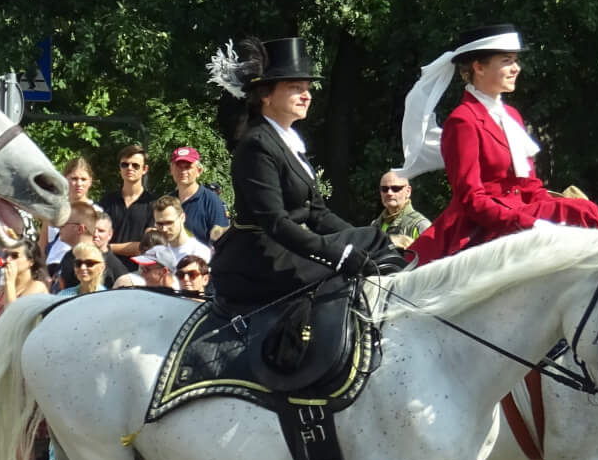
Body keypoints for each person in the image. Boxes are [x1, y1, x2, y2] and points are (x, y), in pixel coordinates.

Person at [206, 37, 394, 306]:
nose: (307, 95)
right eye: (295, 88)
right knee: (370, 242)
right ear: (266, 95)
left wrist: (355, 240)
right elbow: (276, 223)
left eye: (307, 88)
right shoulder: (256, 145)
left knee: (375, 239)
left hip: (287, 249)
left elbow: (318, 213)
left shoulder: (289, 141)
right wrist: (337, 254)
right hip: (258, 259)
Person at [399, 25, 598, 265]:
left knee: (583, 211)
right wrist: (529, 224)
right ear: (478, 67)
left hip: (520, 210)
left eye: (516, 60)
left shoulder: (511, 116)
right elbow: (471, 200)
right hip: (482, 223)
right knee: (582, 214)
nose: (516, 68)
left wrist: (557, 208)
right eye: (507, 61)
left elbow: (530, 185)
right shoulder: (463, 120)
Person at [99, 142, 156, 260]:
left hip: (139, 271)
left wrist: (107, 247)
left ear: (145, 169)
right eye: (124, 165)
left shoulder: (153, 203)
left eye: (135, 165)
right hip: (106, 267)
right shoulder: (107, 201)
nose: (129, 168)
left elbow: (146, 246)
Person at [167, 147, 229, 243]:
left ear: (199, 171)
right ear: (171, 170)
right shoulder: (167, 201)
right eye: (179, 166)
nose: (183, 171)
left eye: (188, 166)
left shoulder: (211, 200)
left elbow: (221, 240)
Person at [372, 170, 431, 247]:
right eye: (384, 189)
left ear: (408, 191)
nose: (389, 193)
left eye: (396, 188)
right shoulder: (375, 225)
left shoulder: (420, 225)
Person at [147, 196, 212, 263]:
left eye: (169, 222)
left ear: (182, 218)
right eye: (160, 224)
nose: (164, 229)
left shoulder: (200, 252)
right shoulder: (155, 252)